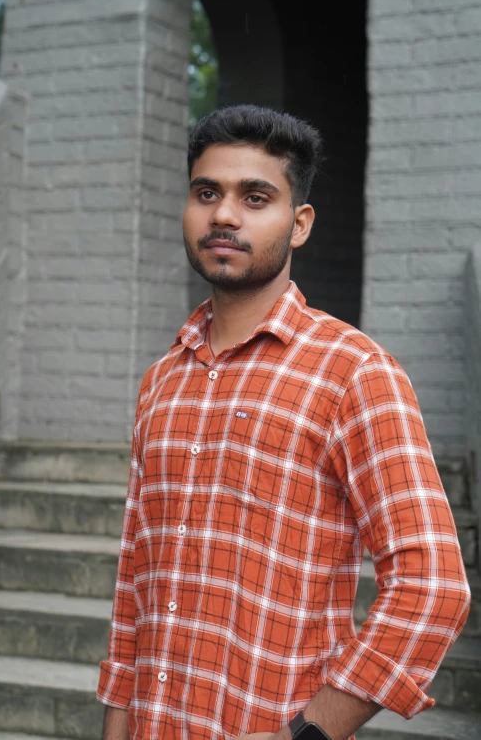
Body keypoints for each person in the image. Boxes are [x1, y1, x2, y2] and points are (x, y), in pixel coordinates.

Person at [97, 105, 471, 740]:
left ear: (298, 225)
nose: (223, 214)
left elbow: (432, 586)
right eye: (206, 192)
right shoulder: (162, 380)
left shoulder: (354, 373)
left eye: (256, 196)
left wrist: (307, 734)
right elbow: (137, 578)